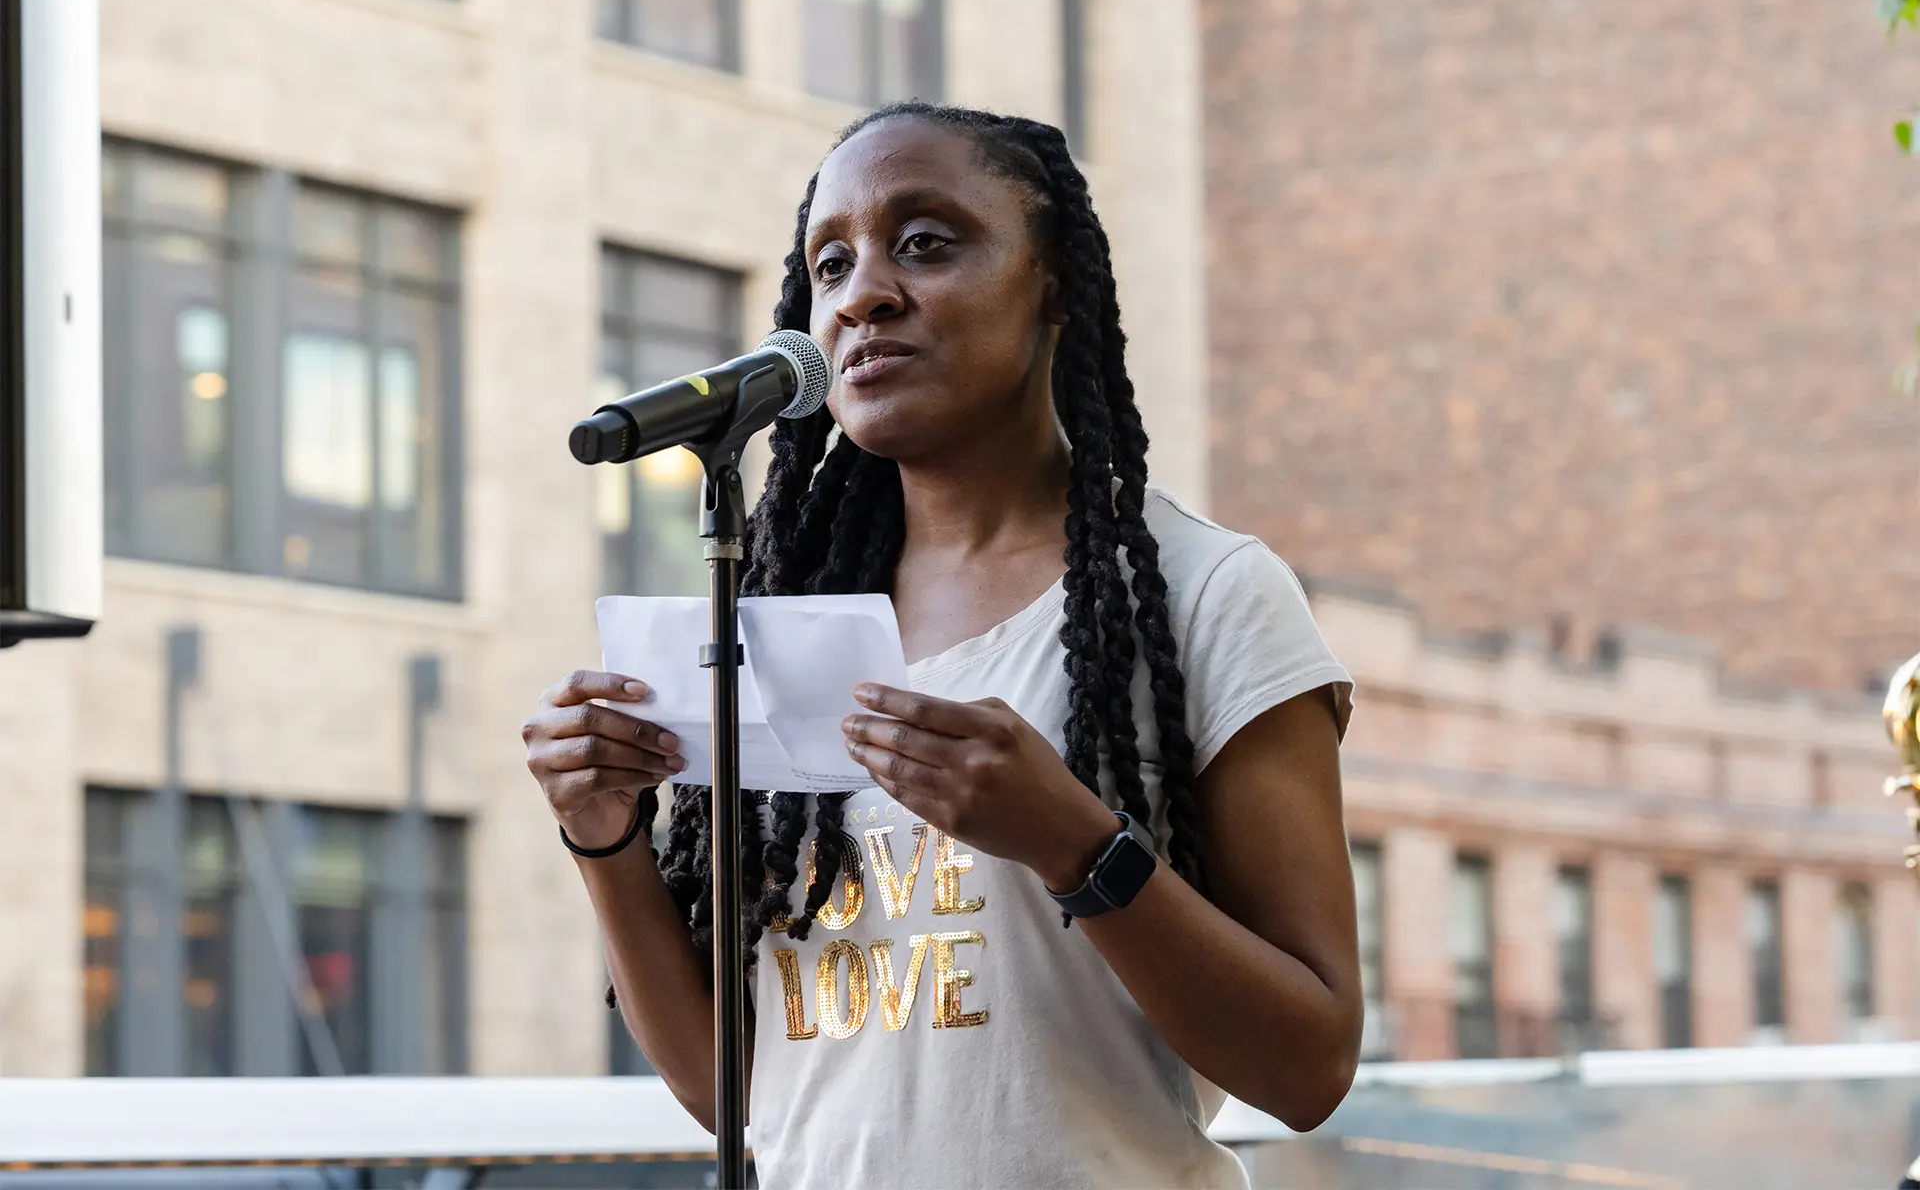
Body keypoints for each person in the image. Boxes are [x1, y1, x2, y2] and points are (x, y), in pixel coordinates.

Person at [522, 103, 1362, 1189]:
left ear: (1052, 280)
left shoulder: (1204, 590)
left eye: (923, 242)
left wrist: (1075, 841)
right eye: (832, 264)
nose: (864, 291)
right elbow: (737, 1093)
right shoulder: (782, 622)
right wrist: (605, 838)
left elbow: (1310, 1066)